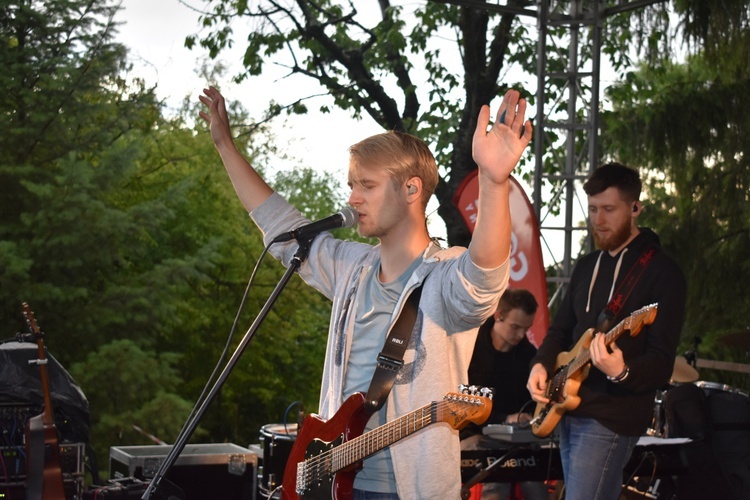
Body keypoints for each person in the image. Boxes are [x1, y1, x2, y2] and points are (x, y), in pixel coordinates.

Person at [199, 86, 533, 499]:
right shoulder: (351, 267)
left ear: (411, 190)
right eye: (352, 185)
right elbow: (282, 229)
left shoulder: (445, 273)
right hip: (333, 481)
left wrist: (493, 181)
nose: (352, 198)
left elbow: (484, 276)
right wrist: (225, 146)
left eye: (367, 186)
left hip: (406, 489)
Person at [526, 162, 687, 500]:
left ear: (635, 208)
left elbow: (660, 361)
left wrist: (622, 371)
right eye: (594, 209)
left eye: (609, 210)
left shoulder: (663, 273)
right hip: (566, 408)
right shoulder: (586, 266)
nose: (598, 220)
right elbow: (561, 330)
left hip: (612, 416)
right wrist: (540, 365)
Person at [461, 288, 548, 500]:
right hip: (472, 432)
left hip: (513, 437)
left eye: (526, 329)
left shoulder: (528, 356)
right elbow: (461, 404)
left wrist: (527, 417)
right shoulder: (469, 346)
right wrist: (504, 418)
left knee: (535, 483)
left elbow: (529, 404)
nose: (520, 335)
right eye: (515, 327)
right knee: (495, 480)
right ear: (498, 316)